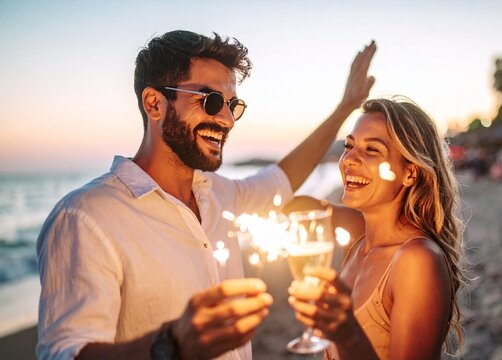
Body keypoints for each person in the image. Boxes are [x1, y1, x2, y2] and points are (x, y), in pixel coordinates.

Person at [36, 30, 376, 360]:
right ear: (154, 103)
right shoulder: (85, 217)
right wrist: (172, 345)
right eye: (211, 101)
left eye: (232, 105)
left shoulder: (217, 194)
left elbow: (282, 178)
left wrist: (345, 107)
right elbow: (66, 353)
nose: (227, 119)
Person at [287, 97, 466, 359]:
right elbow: (302, 206)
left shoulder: (417, 261)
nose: (349, 159)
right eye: (349, 145)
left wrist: (346, 332)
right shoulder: (359, 242)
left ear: (410, 173)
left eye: (372, 150)